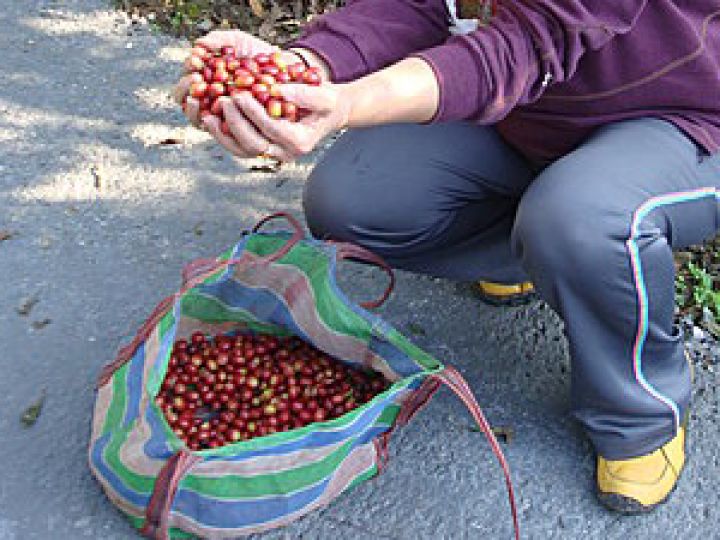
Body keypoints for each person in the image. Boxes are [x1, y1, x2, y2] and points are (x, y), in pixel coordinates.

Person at [175, 0, 720, 514]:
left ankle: (642, 412)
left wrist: (346, 104)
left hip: (681, 116)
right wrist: (305, 68)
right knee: (354, 198)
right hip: (534, 111)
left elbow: (525, 46)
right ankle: (532, 252)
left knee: (582, 220)